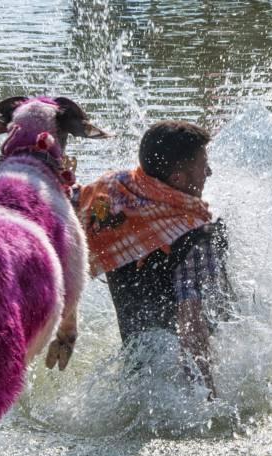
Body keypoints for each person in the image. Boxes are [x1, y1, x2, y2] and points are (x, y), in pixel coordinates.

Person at [77, 120, 234, 397]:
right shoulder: (197, 235)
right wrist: (208, 395)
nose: (209, 171)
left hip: (134, 379)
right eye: (202, 165)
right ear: (178, 179)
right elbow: (191, 323)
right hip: (180, 387)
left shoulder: (112, 202)